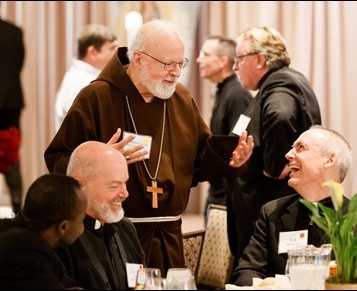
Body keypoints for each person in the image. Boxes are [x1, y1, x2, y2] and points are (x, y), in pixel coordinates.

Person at [44, 19, 254, 276]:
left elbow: (198, 160)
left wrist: (231, 161)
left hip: (170, 236)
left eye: (180, 63)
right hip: (115, 238)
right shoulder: (97, 97)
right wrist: (101, 161)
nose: (176, 72)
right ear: (138, 59)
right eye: (167, 64)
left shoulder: (181, 99)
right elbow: (58, 158)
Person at [231, 125, 357, 290]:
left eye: (300, 147)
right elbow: (246, 273)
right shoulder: (272, 213)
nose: (288, 154)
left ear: (329, 160)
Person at [225, 26, 322, 267]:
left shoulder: (279, 85)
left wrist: (276, 163)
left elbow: (281, 115)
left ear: (259, 59)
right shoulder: (282, 82)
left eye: (239, 58)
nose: (235, 67)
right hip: (269, 207)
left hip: (271, 207)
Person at [55, 141, 146, 290]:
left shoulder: (126, 228)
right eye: (114, 186)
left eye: (125, 183)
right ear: (79, 185)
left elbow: (141, 283)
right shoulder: (59, 238)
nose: (125, 194)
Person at [0, 173, 87, 290]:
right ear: (63, 227)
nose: (83, 228)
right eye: (81, 220)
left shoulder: (32, 240)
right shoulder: (22, 249)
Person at [196, 35, 252, 215]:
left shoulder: (237, 95)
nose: (199, 60)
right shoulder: (223, 92)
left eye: (205, 54)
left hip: (227, 195)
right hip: (218, 190)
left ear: (223, 61)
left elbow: (235, 145)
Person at [0, 1, 25, 227]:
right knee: (10, 155)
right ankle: (18, 208)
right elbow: (18, 65)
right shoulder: (14, 32)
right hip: (10, 103)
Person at [54, 23, 118, 131]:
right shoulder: (79, 82)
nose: (116, 52)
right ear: (92, 52)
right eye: (111, 48)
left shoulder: (92, 77)